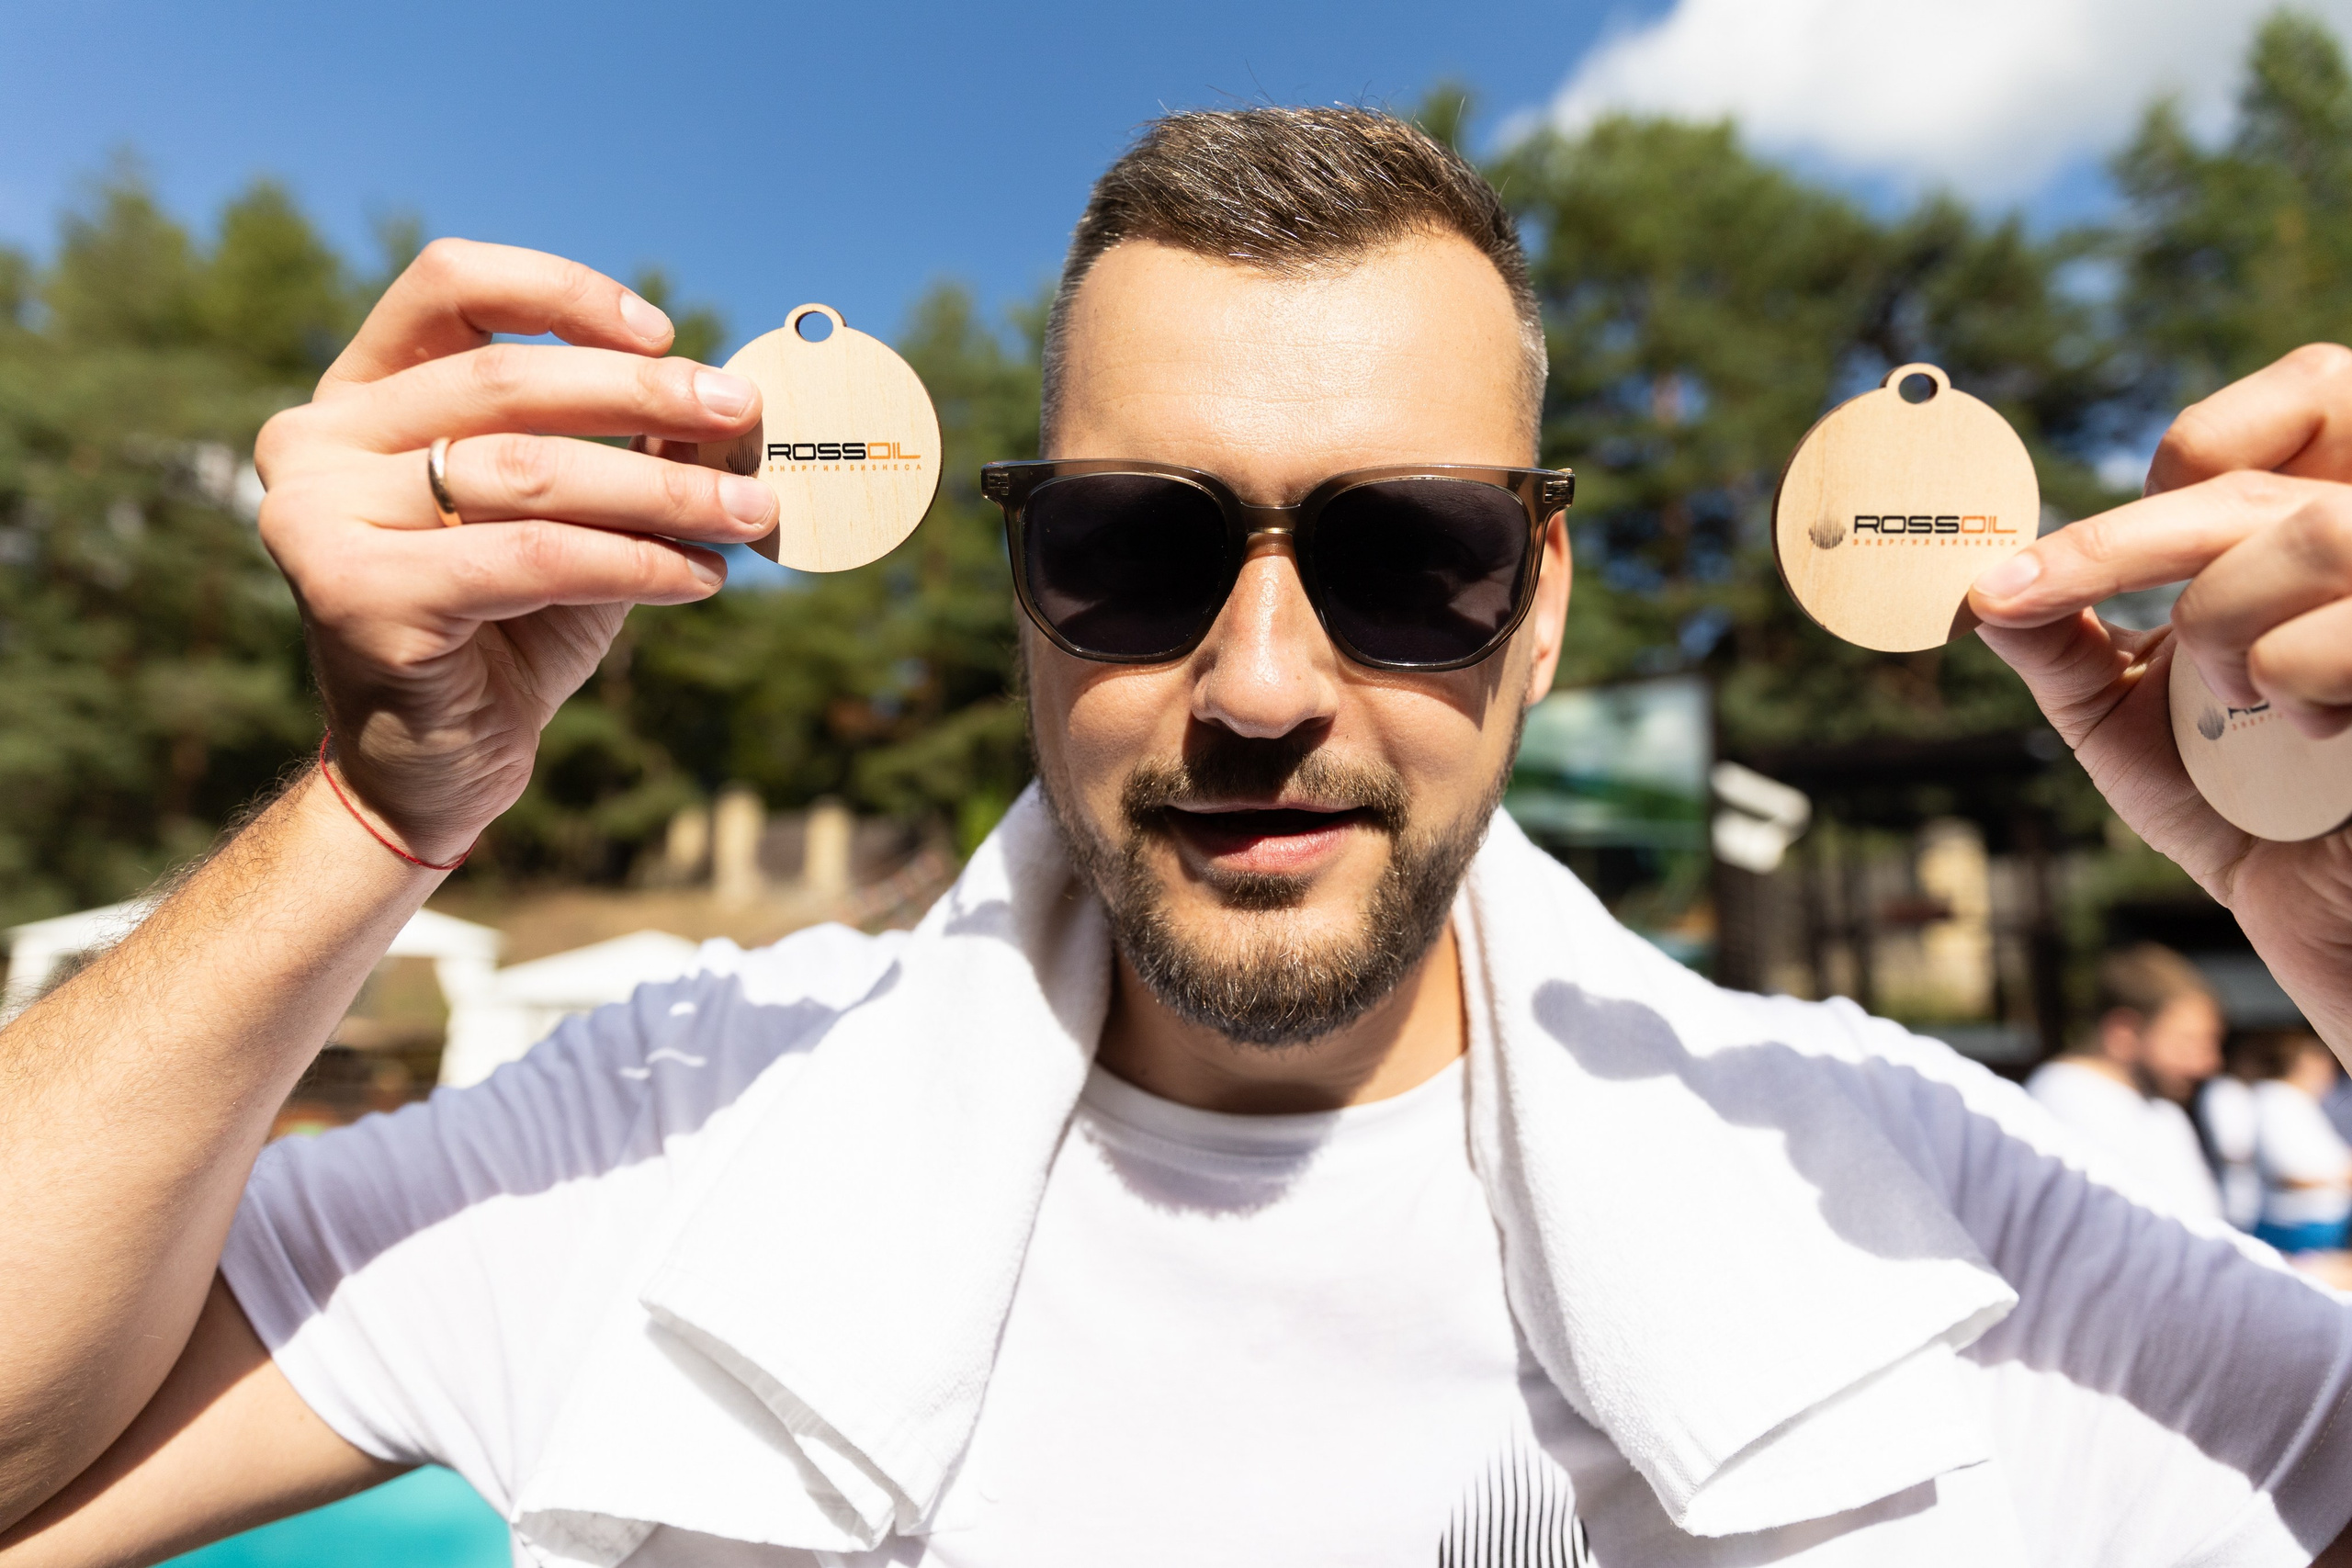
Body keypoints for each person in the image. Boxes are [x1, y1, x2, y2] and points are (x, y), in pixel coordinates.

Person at [6, 107, 2352, 1567]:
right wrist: (368, 806)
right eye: (1133, 546)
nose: (1252, 683)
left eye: (1405, 552)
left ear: (1534, 610)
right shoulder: (672, 1134)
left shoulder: (1896, 1181)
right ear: (1023, 588)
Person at [2028, 942, 2226, 1219]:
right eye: (2189, 1042)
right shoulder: (2069, 1103)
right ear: (2124, 1032)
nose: (2208, 1063)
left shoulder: (2154, 1105)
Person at [2253, 1032, 2352, 1255]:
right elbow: (2287, 1172)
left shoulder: (2300, 1102)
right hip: (2295, 1227)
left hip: (2318, 1224)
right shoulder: (2275, 1100)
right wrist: (2343, 1175)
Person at [2204, 1035, 2268, 1231]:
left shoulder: (2248, 1089)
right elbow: (2230, 1150)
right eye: (2251, 1059)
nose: (2256, 1065)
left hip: (2258, 1200)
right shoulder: (2222, 1090)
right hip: (2235, 1199)